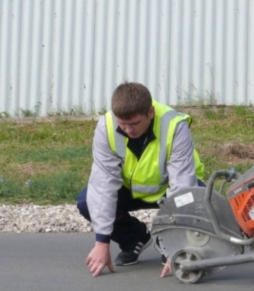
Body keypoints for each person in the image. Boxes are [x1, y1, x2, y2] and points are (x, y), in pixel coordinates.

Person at [77, 82, 205, 277]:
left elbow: (182, 186)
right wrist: (102, 243)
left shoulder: (174, 126)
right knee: (87, 201)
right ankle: (134, 238)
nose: (128, 130)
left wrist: (177, 245)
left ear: (150, 112)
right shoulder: (106, 127)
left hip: (169, 189)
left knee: (201, 204)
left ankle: (166, 241)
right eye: (123, 124)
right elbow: (103, 185)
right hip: (131, 190)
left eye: (135, 123)